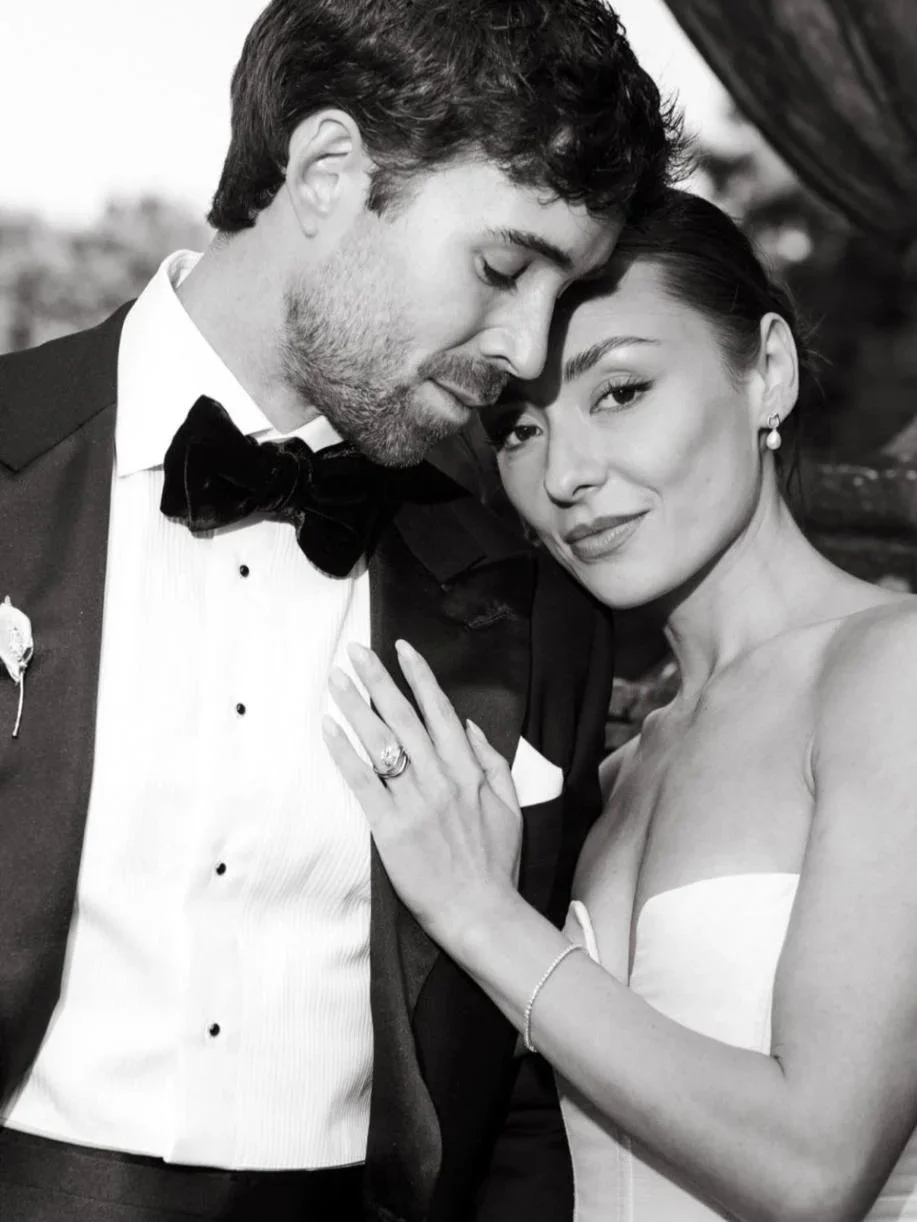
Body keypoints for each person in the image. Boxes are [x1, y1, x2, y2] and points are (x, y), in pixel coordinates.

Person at [0, 3, 681, 1220]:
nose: (526, 350)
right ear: (326, 171)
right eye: (502, 266)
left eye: (559, 291)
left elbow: (523, 1093)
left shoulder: (536, 603)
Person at [325, 189, 917, 1221]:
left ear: (765, 370)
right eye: (517, 426)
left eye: (619, 392)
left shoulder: (890, 673)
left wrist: (477, 911)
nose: (565, 475)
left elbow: (813, 1166)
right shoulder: (615, 764)